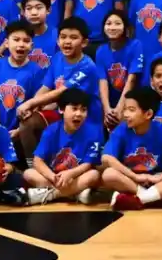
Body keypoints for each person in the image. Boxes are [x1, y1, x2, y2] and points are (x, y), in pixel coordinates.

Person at [18, 17, 102, 158]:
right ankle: (33, 165)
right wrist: (32, 109)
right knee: (28, 121)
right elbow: (45, 87)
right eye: (63, 37)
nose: (67, 41)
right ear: (57, 41)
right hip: (62, 115)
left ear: (84, 42)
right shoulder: (57, 58)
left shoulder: (87, 66)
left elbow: (61, 92)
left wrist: (30, 103)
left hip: (85, 120)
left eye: (73, 37)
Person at [99, 86, 162, 210]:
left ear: (148, 114)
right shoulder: (121, 129)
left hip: (158, 179)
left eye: (131, 110)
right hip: (131, 180)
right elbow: (106, 158)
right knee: (108, 174)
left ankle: (140, 199)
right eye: (125, 109)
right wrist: (135, 177)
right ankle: (157, 198)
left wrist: (160, 177)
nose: (125, 114)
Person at [24, 88, 104, 204]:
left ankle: (51, 195)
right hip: (55, 177)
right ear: (61, 109)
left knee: (94, 175)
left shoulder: (95, 132)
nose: (79, 114)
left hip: (77, 176)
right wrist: (52, 177)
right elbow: (37, 161)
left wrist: (70, 174)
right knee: (29, 173)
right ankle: (75, 193)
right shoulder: (51, 131)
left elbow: (88, 164)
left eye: (83, 110)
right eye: (74, 109)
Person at [0, 21, 45, 140]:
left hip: (22, 132)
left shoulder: (37, 71)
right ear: (6, 43)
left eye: (26, 41)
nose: (21, 44)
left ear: (31, 46)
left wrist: (20, 130)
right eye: (16, 40)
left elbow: (37, 104)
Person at [94, 10, 141, 128]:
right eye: (108, 23)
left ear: (125, 27)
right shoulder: (101, 50)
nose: (112, 27)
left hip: (131, 100)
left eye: (118, 23)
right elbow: (102, 81)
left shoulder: (135, 45)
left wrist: (120, 108)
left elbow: (132, 79)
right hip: (110, 102)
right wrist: (107, 110)